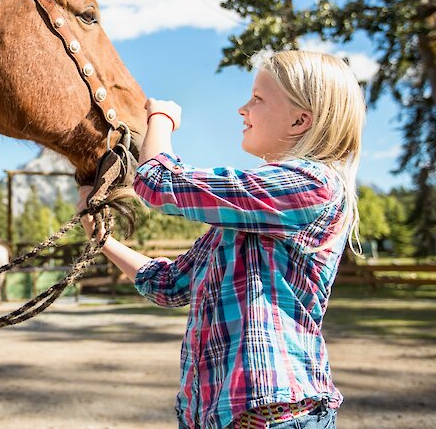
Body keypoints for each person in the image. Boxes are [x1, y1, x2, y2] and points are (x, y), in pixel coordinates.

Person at [78, 50, 364, 429]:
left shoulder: (313, 186)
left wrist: (159, 119)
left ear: (300, 120)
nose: (243, 109)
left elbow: (159, 183)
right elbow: (169, 284)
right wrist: (101, 239)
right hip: (210, 415)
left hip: (273, 417)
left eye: (258, 99)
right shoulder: (244, 221)